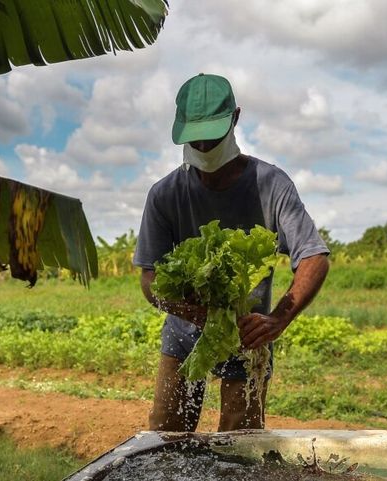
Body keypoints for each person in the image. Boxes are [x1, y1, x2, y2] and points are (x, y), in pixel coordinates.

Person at [132, 73, 331, 432]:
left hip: (247, 339)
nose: (205, 148)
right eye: (197, 139)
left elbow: (314, 257)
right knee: (165, 440)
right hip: (183, 338)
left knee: (240, 449)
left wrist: (279, 318)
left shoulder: (271, 185)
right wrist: (187, 310)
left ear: (235, 119)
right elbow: (149, 278)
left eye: (213, 137)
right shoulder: (165, 195)